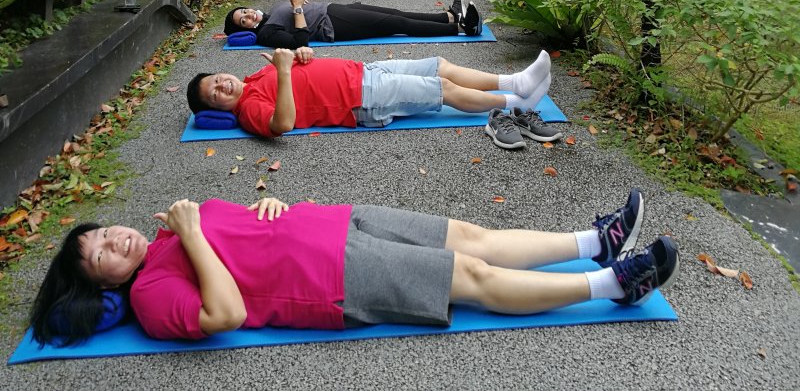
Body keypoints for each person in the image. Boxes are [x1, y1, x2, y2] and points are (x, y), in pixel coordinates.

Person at [30, 188, 679, 344]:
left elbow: (241, 225)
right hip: (328, 278)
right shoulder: (151, 293)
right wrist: (195, 231)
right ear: (106, 284)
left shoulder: (167, 227)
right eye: (100, 255)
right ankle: (614, 282)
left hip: (331, 220)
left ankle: (591, 241)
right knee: (471, 281)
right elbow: (222, 312)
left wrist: (270, 199)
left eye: (100, 232)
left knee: (474, 236)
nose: (111, 238)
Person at [186, 46, 561, 141]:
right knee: (441, 90)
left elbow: (302, 72)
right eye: (216, 93)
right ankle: (517, 102)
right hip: (362, 99)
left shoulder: (251, 79)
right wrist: (285, 70)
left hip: (364, 72)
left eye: (218, 78)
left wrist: (302, 55)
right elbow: (281, 123)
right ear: (217, 107)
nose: (223, 85)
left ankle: (513, 81)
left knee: (440, 65)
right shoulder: (249, 108)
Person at [223, 0, 483, 46]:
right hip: (333, 25)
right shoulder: (267, 33)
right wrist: (299, 8)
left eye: (243, 11)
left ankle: (448, 16)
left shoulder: (267, 17)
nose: (247, 15)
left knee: (395, 13)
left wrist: (299, 4)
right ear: (244, 30)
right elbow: (299, 41)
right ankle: (462, 29)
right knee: (397, 25)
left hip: (333, 10)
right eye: (242, 20)